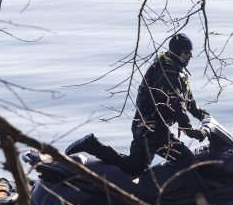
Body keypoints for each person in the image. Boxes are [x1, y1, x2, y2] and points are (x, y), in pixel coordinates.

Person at [64, 33, 210, 178]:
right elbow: (176, 105)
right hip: (151, 130)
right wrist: (190, 131)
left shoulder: (176, 69)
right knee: (187, 159)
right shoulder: (166, 73)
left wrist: (201, 114)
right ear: (177, 52)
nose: (190, 56)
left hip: (149, 127)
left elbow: (187, 99)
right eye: (187, 52)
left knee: (134, 167)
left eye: (191, 53)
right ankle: (194, 197)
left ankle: (93, 145)